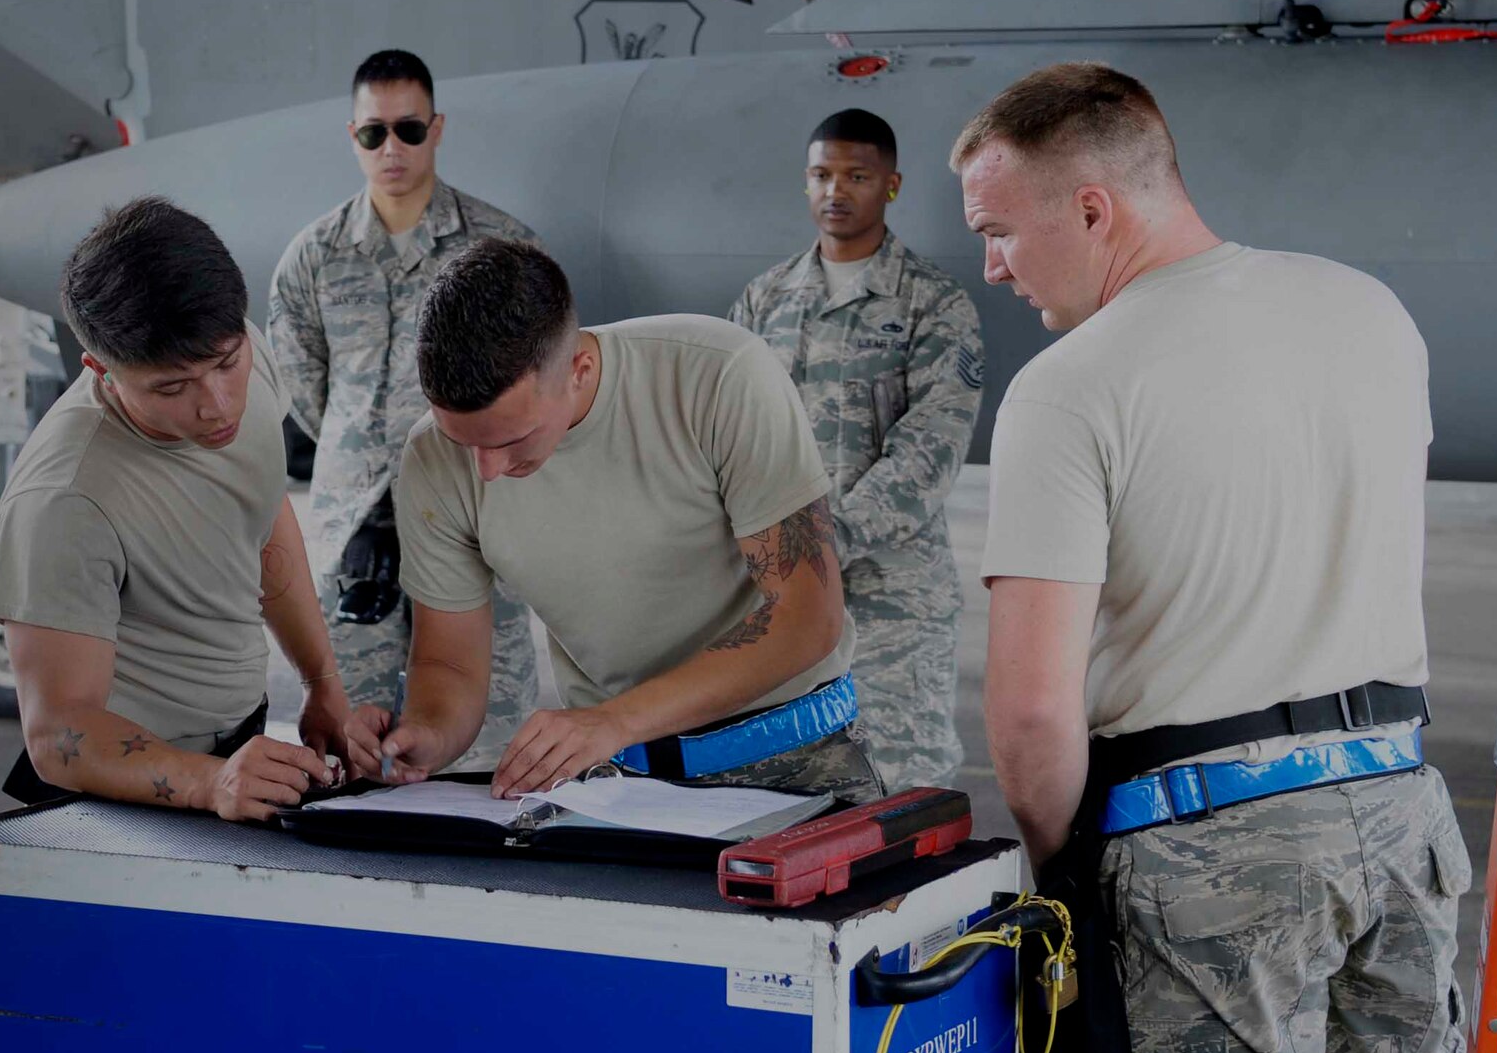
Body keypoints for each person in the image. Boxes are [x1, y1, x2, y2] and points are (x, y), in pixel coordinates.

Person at [958, 63, 1468, 1053]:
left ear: (1092, 210)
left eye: (999, 231)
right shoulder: (1367, 310)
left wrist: (1068, 870)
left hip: (1213, 854)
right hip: (1402, 814)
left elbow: (1029, 712)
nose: (992, 268)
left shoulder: (1070, 388)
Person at [345, 238, 885, 805]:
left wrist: (614, 721)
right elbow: (448, 663)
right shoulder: (431, 458)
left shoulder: (719, 375)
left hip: (799, 760)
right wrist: (426, 734)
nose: (486, 470)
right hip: (619, 783)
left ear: (578, 370)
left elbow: (807, 618)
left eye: (511, 439)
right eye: (462, 441)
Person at [0, 198, 346, 820]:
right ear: (101, 369)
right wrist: (209, 784)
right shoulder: (63, 499)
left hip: (239, 746)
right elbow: (58, 734)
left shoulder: (235, 346)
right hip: (124, 788)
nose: (217, 406)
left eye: (226, 365)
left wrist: (321, 681)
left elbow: (261, 516)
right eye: (172, 387)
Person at [269, 49, 540, 770]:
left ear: (436, 129)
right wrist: (367, 460)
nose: (391, 148)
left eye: (409, 130)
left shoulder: (501, 248)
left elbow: (534, 387)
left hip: (473, 515)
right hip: (356, 531)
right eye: (373, 133)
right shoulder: (315, 256)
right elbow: (303, 383)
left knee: (485, 740)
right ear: (352, 136)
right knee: (352, 744)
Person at [730, 109, 982, 790]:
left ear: (891, 185)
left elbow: (930, 451)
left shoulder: (933, 304)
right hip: (780, 597)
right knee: (784, 786)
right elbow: (726, 433)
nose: (835, 191)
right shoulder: (765, 299)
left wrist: (821, 545)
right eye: (821, 175)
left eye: (857, 176)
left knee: (899, 784)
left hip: (892, 601)